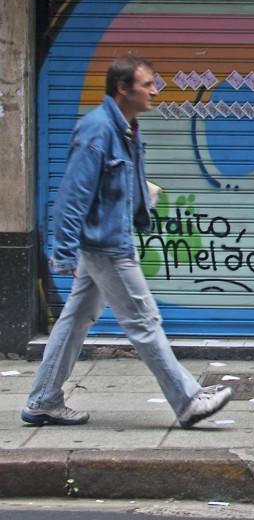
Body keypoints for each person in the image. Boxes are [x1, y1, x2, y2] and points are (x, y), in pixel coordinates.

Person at [23, 54, 233, 428]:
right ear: (123, 88)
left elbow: (113, 185)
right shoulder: (98, 130)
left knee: (75, 319)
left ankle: (43, 399)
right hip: (106, 246)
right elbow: (73, 194)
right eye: (147, 83)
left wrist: (142, 203)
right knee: (144, 321)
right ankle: (187, 401)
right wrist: (63, 249)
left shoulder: (126, 129)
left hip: (106, 238)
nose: (155, 90)